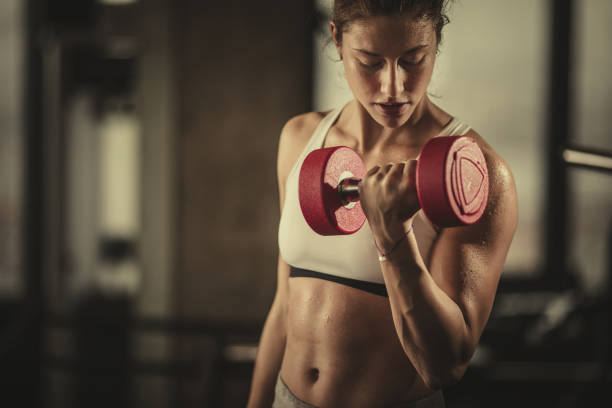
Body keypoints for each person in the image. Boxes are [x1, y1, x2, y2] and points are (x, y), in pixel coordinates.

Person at [248, 1, 518, 407]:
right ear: (338, 40)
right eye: (370, 63)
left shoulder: (475, 174)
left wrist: (393, 235)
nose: (393, 87)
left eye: (413, 60)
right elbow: (284, 305)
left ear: (436, 43)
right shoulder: (301, 138)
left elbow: (445, 365)